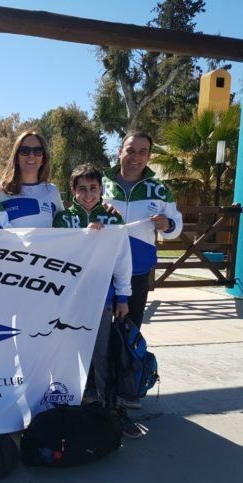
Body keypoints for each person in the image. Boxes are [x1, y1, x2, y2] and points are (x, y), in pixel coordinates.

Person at [53, 165, 144, 439]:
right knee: (69, 354)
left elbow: (122, 261)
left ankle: (107, 406)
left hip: (103, 299)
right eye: (82, 189)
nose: (88, 194)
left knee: (102, 354)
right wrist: (84, 236)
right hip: (69, 300)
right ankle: (73, 404)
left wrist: (123, 296)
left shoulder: (113, 220)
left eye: (93, 188)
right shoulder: (62, 219)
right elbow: (55, 255)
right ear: (73, 191)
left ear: (101, 190)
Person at [102, 131, 183, 409]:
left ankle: (127, 388)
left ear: (148, 156)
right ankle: (99, 386)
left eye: (142, 151)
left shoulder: (159, 189)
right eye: (131, 150)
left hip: (136, 272)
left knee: (129, 329)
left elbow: (177, 225)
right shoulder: (100, 184)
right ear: (119, 151)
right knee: (97, 329)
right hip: (100, 270)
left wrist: (167, 225)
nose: (135, 157)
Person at [0, 130, 64, 227]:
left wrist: (90, 231)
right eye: (25, 151)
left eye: (38, 151)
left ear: (43, 159)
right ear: (16, 158)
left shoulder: (52, 191)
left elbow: (65, 227)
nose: (31, 155)